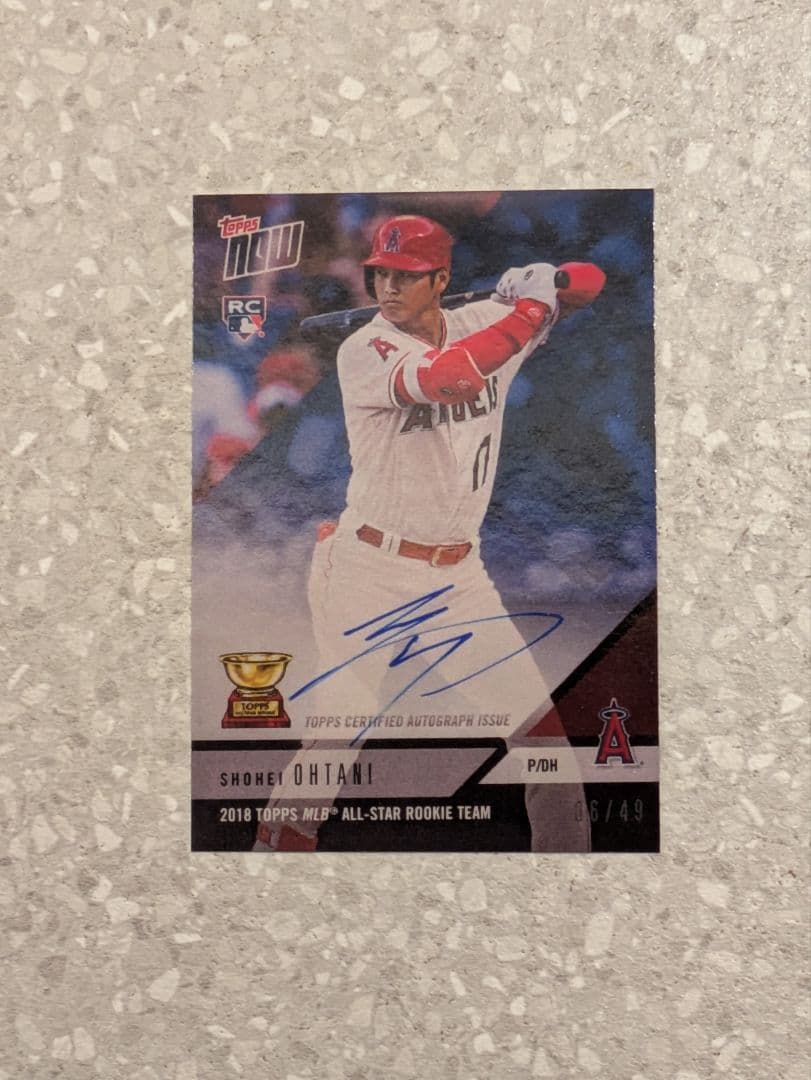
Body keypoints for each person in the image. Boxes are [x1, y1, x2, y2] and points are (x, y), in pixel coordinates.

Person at [256, 214, 604, 852]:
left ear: (441, 279)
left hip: (458, 577)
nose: (388, 287)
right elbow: (453, 378)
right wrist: (531, 309)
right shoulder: (364, 349)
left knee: (544, 741)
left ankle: (573, 874)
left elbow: (591, 281)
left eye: (407, 275)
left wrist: (546, 280)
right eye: (380, 274)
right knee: (336, 738)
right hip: (368, 569)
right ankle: (271, 861)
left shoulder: (483, 322)